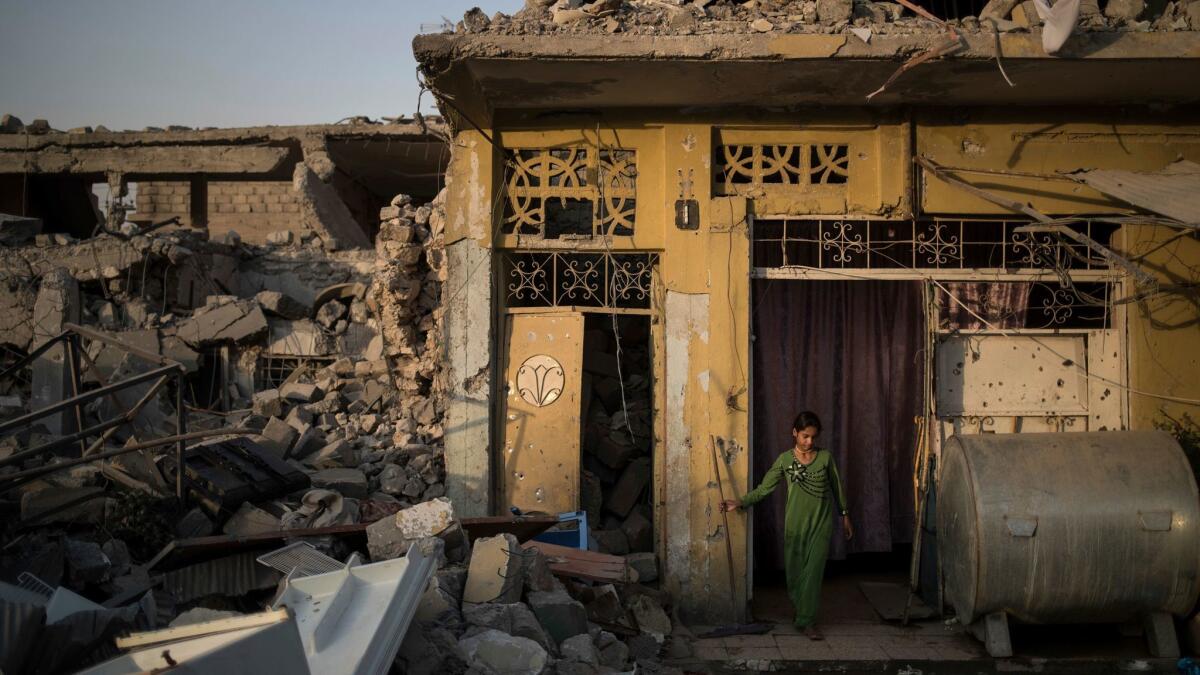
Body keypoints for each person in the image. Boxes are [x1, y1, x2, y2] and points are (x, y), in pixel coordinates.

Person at [721, 411, 852, 640]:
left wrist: (845, 514)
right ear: (794, 433)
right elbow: (764, 488)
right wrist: (741, 502)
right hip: (794, 527)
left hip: (821, 525)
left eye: (813, 437)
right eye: (805, 436)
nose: (810, 442)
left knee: (813, 574)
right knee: (794, 577)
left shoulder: (825, 458)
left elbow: (837, 487)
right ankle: (802, 612)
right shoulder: (784, 460)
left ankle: (807, 621)